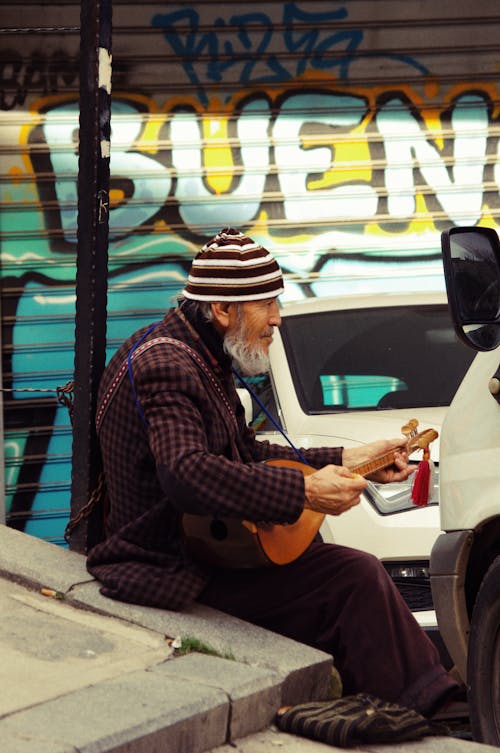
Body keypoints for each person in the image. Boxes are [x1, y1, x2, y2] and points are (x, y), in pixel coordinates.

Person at [87, 227, 459, 716]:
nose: (277, 319)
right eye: (267, 304)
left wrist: (351, 460)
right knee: (352, 578)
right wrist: (305, 490)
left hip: (202, 553)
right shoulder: (168, 363)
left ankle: (410, 699)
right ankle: (420, 707)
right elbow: (185, 473)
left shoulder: (201, 352)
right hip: (169, 568)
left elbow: (243, 452)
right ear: (223, 309)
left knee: (335, 565)